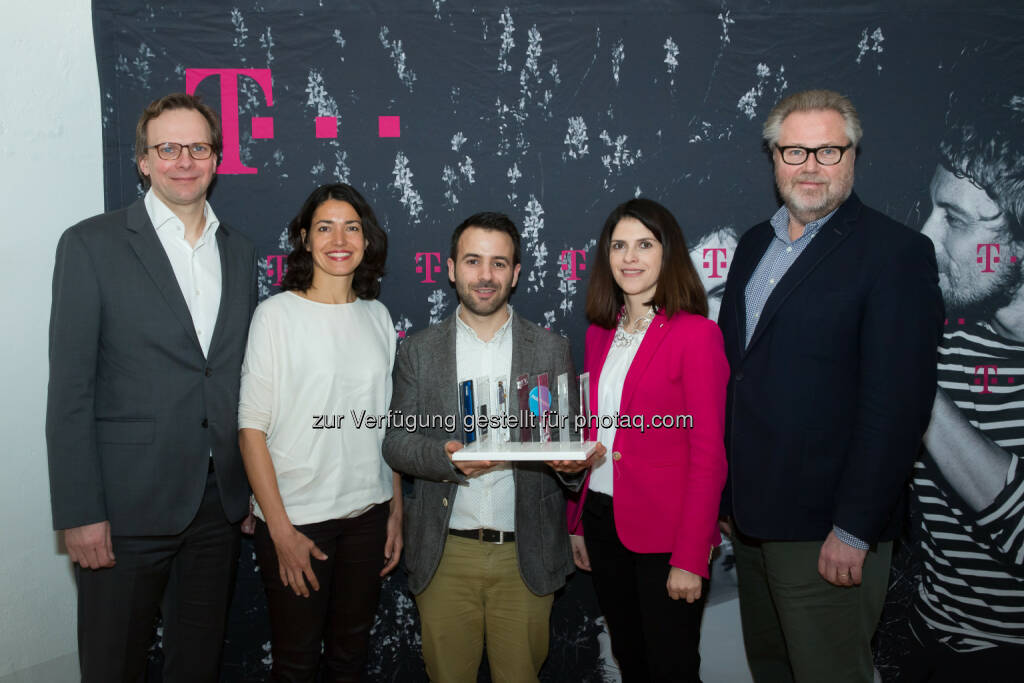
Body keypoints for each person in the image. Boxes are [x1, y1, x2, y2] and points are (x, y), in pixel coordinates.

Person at [716, 89, 944, 683]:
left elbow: (897, 407)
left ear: (852, 156)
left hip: (828, 532)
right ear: (772, 157)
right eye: (794, 150)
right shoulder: (753, 246)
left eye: (827, 150)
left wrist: (854, 528)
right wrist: (727, 500)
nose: (810, 165)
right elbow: (736, 377)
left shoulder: (895, 253)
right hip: (752, 522)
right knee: (773, 670)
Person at [45, 92, 257, 682]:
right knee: (113, 666)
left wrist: (246, 489)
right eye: (167, 148)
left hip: (218, 507)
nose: (183, 161)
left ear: (217, 158)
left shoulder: (239, 253)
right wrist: (81, 511)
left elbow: (234, 376)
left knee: (197, 664)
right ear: (143, 160)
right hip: (122, 509)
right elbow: (70, 391)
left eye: (198, 147)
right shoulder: (90, 244)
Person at [382, 211, 600, 683]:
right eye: (473, 261)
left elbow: (566, 450)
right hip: (445, 555)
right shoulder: (418, 351)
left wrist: (569, 467)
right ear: (450, 268)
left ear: (516, 273)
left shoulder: (550, 348)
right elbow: (397, 442)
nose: (485, 276)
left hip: (525, 555)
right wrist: (446, 459)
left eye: (499, 263)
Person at [238, 183, 403, 682]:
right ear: (305, 239)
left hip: (368, 517)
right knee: (297, 663)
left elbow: (384, 422)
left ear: (367, 240)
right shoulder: (275, 316)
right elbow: (251, 431)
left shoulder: (377, 316)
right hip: (297, 520)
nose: (340, 238)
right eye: (325, 226)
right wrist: (280, 530)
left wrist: (396, 510)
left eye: (352, 227)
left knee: (350, 660)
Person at [565, 198, 729, 682]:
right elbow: (599, 436)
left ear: (667, 253)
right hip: (602, 518)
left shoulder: (695, 335)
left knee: (672, 668)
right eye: (619, 246)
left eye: (644, 244)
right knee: (631, 662)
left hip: (665, 536)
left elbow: (708, 457)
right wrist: (577, 519)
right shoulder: (601, 333)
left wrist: (691, 555)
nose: (629, 257)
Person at [906, 100, 1024, 680]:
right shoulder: (946, 333)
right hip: (931, 636)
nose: (925, 236)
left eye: (953, 219)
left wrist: (911, 383)